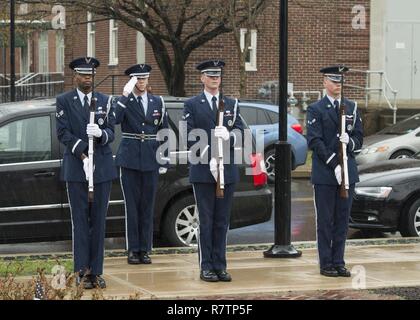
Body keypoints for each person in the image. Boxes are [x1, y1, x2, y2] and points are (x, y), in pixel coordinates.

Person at [56, 57, 117, 289]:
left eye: (90, 75)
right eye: (83, 75)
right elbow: (62, 133)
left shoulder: (105, 100)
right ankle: (82, 271)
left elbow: (111, 131)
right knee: (80, 221)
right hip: (76, 168)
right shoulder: (64, 101)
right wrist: (82, 154)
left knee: (99, 221)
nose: (87, 79)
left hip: (101, 169)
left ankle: (97, 271)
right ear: (75, 77)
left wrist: (101, 133)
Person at [183, 59, 243, 282]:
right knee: (206, 220)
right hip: (203, 169)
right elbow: (188, 135)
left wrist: (230, 136)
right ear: (202, 78)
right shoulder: (192, 104)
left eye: (217, 75)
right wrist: (209, 156)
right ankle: (206, 266)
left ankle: (220, 265)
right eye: (210, 75)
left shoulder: (231, 104)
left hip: (226, 169)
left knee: (222, 221)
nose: (214, 78)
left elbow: (241, 131)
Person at [306, 65, 363, 277]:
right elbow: (314, 140)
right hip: (326, 173)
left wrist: (350, 143)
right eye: (333, 80)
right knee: (325, 221)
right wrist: (334, 164)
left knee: (342, 220)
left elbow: (359, 138)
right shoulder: (316, 109)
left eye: (340, 80)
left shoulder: (352, 107)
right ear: (325, 83)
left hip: (348, 172)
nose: (337, 84)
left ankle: (339, 261)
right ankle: (326, 263)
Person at [113, 64, 168, 265]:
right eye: (138, 79)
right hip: (129, 158)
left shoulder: (157, 101)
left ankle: (145, 249)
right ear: (132, 80)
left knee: (147, 206)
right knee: (132, 207)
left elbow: (164, 131)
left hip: (151, 158)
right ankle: (133, 249)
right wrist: (124, 96)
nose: (142, 82)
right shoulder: (125, 101)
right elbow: (115, 120)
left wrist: (164, 158)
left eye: (144, 78)